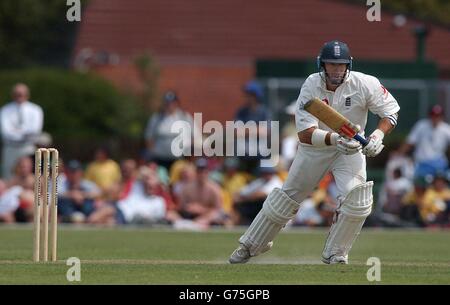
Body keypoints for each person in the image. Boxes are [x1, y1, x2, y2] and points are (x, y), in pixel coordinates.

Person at [229, 40, 400, 264]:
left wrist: (377, 136)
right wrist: (335, 138)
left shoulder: (365, 83)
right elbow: (305, 133)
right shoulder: (311, 85)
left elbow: (391, 113)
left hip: (349, 151)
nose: (336, 70)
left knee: (358, 200)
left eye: (341, 65)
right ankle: (250, 245)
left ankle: (336, 253)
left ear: (348, 65)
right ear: (322, 65)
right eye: (331, 65)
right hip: (315, 150)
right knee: (287, 199)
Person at [144, 91, 200, 170]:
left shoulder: (184, 117)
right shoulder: (157, 118)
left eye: (172, 103)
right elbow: (148, 137)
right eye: (167, 103)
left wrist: (190, 155)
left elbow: (195, 136)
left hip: (180, 159)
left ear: (177, 103)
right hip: (160, 159)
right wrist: (152, 152)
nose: (169, 105)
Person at [0, 83, 43, 179]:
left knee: (31, 177)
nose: (19, 96)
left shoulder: (35, 110)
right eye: (17, 94)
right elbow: (5, 132)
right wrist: (24, 132)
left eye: (21, 94)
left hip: (28, 148)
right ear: (12, 95)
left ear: (27, 95)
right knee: (8, 176)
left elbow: (35, 130)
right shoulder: (5, 110)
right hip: (10, 148)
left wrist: (16, 131)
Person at [399, 104, 450, 178]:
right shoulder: (421, 125)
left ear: (442, 116)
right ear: (430, 115)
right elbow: (410, 142)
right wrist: (399, 153)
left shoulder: (446, 129)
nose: (435, 118)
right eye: (433, 115)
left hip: (439, 163)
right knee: (419, 185)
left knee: (442, 185)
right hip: (421, 162)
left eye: (438, 115)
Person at [233, 81, 272, 173]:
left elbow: (266, 132)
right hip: (244, 155)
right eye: (247, 94)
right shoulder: (241, 112)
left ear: (256, 96)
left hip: (260, 155)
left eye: (250, 94)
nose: (247, 97)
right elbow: (236, 132)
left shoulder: (264, 112)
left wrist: (246, 130)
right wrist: (257, 129)